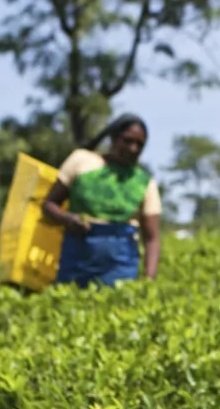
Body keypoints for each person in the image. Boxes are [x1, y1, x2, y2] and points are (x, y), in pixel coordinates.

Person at [43, 114, 163, 287]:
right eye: (127, 141)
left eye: (139, 145)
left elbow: (152, 238)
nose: (133, 148)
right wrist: (68, 219)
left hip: (121, 264)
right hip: (78, 254)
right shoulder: (82, 161)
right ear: (113, 138)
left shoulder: (144, 182)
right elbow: (49, 204)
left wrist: (149, 279)